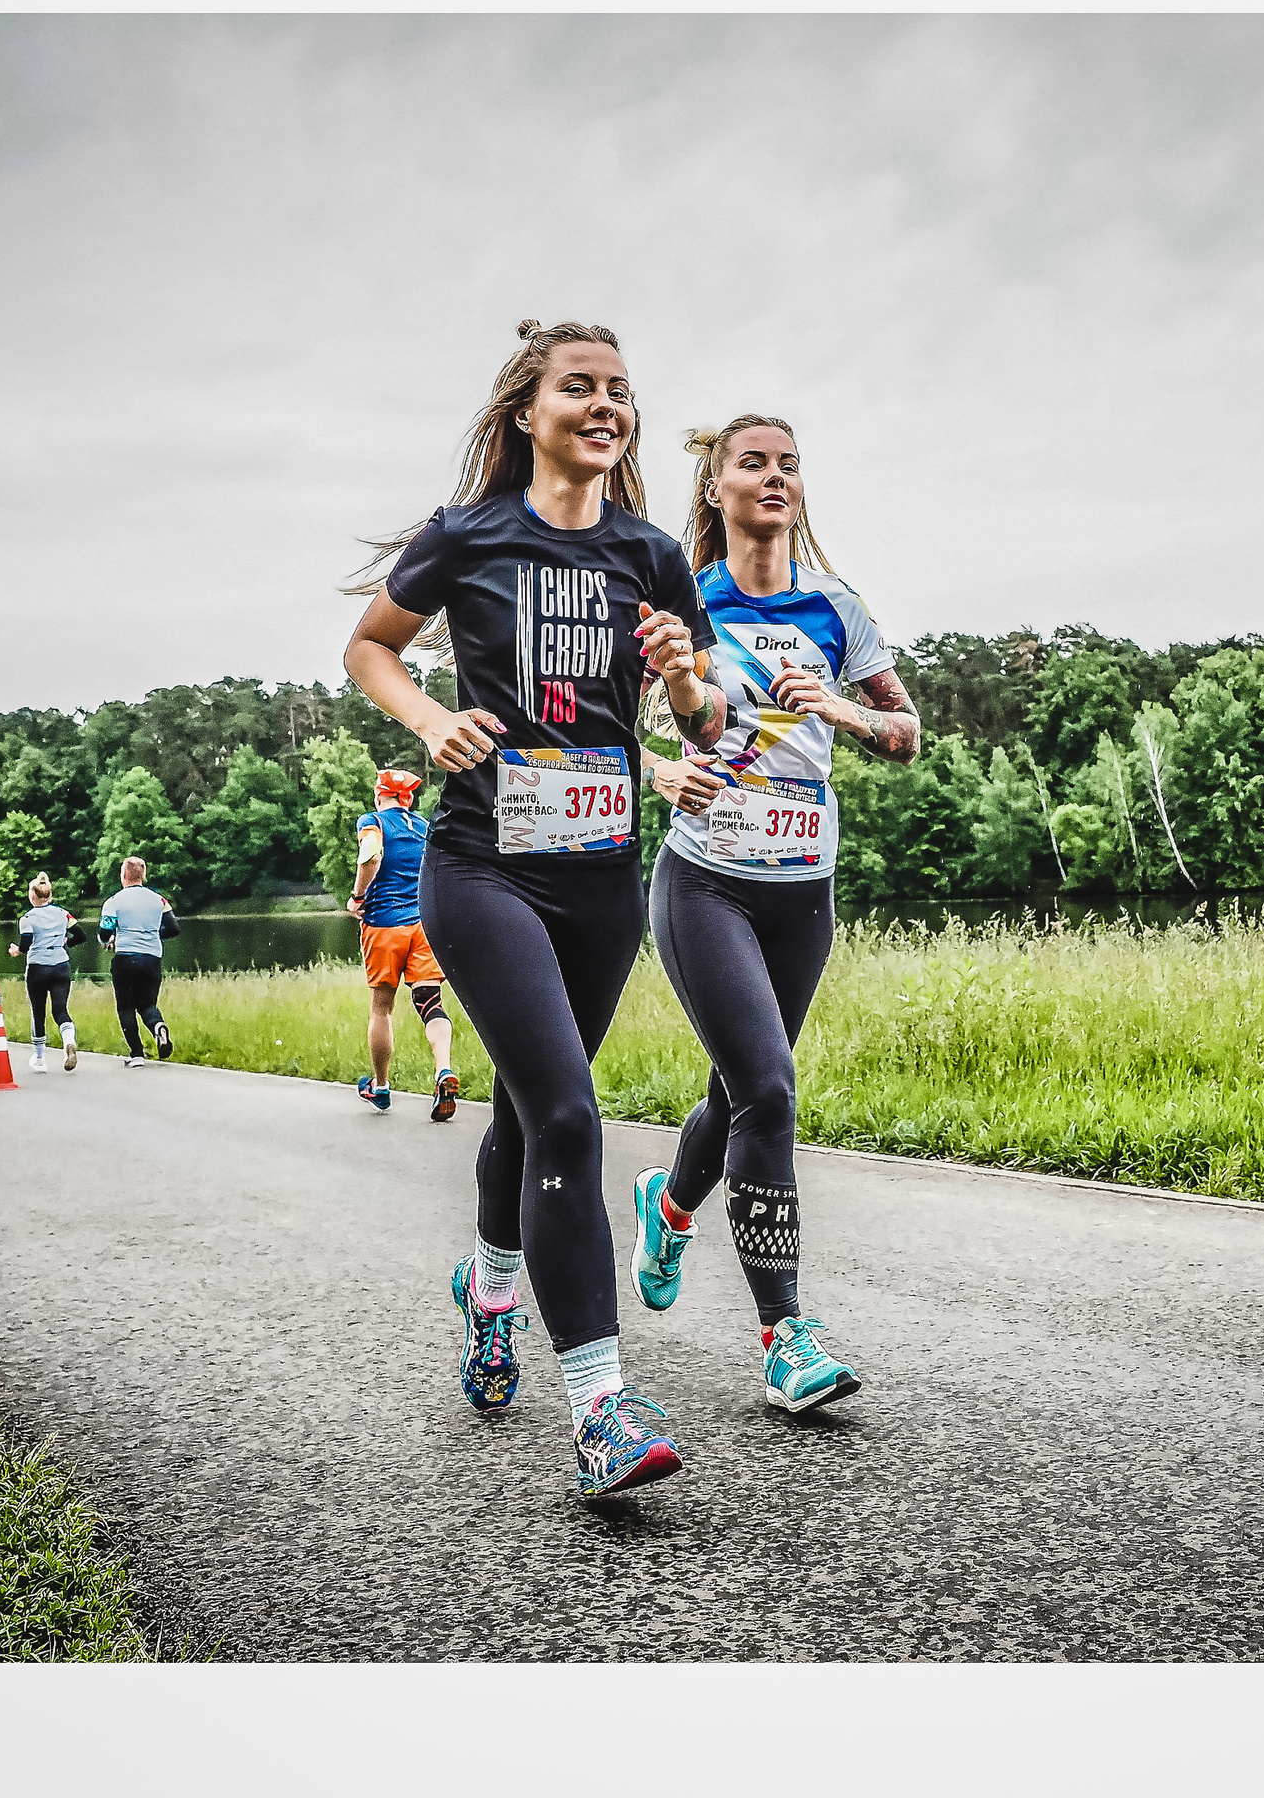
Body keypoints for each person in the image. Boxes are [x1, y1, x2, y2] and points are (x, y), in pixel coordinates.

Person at [342, 317, 726, 1501]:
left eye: (620, 390)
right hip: (483, 868)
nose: (605, 405)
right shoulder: (467, 536)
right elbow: (370, 647)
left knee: (525, 1113)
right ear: (526, 412)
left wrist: (676, 678)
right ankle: (603, 1410)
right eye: (579, 387)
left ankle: (489, 1284)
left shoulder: (652, 554)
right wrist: (426, 721)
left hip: (601, 875)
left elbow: (706, 720)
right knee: (569, 1114)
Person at [628, 415, 921, 1414]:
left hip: (804, 892)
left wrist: (836, 709)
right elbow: (605, 726)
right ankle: (784, 1335)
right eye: (753, 463)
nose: (776, 478)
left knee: (747, 1089)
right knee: (769, 1085)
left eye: (789, 465)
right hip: (705, 880)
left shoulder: (835, 608)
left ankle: (667, 1207)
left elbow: (906, 733)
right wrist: (665, 771)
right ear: (714, 488)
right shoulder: (684, 602)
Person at [349, 767, 461, 1119]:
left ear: (379, 794)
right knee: (430, 1001)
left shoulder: (373, 821)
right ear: (408, 798)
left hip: (384, 925)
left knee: (381, 1008)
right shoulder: (422, 827)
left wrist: (357, 896)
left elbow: (370, 855)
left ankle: (380, 1088)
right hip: (424, 927)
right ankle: (443, 1069)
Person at [98, 856, 180, 1068]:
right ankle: (158, 1027)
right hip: (152, 958)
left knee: (126, 1007)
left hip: (125, 958)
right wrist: (152, 933)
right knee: (147, 1005)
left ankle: (137, 1054)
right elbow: (173, 928)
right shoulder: (159, 900)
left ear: (124, 875)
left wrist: (110, 940)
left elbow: (104, 931)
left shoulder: (114, 901)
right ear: (143, 876)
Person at [6, 872, 83, 1072]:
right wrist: (65, 942)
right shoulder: (63, 913)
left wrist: (17, 951)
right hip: (60, 966)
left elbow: (26, 942)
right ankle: (69, 1041)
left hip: (38, 968)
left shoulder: (27, 918)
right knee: (60, 1010)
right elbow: (80, 935)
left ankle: (39, 1059)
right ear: (49, 895)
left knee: (38, 1012)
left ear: (32, 895)